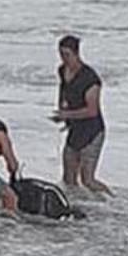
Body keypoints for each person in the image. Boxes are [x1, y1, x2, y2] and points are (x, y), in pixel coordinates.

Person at [50, 35, 112, 195]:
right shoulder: (62, 70)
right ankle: (77, 204)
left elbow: (92, 110)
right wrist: (62, 109)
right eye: (61, 54)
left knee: (88, 179)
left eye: (67, 54)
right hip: (75, 129)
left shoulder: (90, 78)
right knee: (68, 179)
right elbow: (64, 90)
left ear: (76, 54)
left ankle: (112, 201)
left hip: (93, 131)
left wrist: (68, 115)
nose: (63, 58)